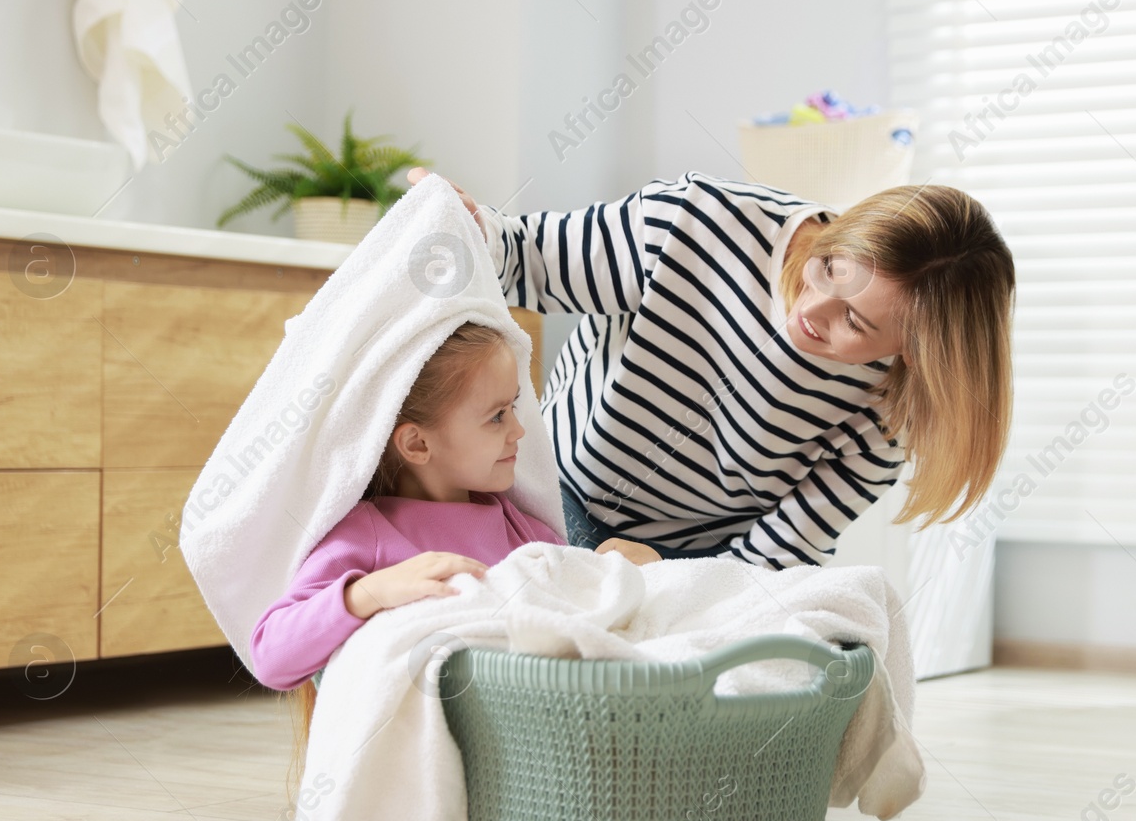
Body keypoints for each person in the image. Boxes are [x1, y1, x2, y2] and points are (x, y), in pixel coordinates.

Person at [408, 167, 1016, 570]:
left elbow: (774, 557)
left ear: (912, 350)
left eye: (855, 323)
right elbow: (525, 258)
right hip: (554, 492)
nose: (810, 309)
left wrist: (667, 577)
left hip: (699, 558)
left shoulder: (892, 409)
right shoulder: (698, 222)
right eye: (829, 267)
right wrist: (468, 226)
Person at [248, 322, 659, 788]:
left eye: (515, 408)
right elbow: (270, 655)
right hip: (429, 777)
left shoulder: (521, 527)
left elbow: (577, 620)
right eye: (497, 416)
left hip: (530, 769)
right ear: (417, 444)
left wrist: (616, 569)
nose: (520, 430)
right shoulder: (367, 536)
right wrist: (369, 592)